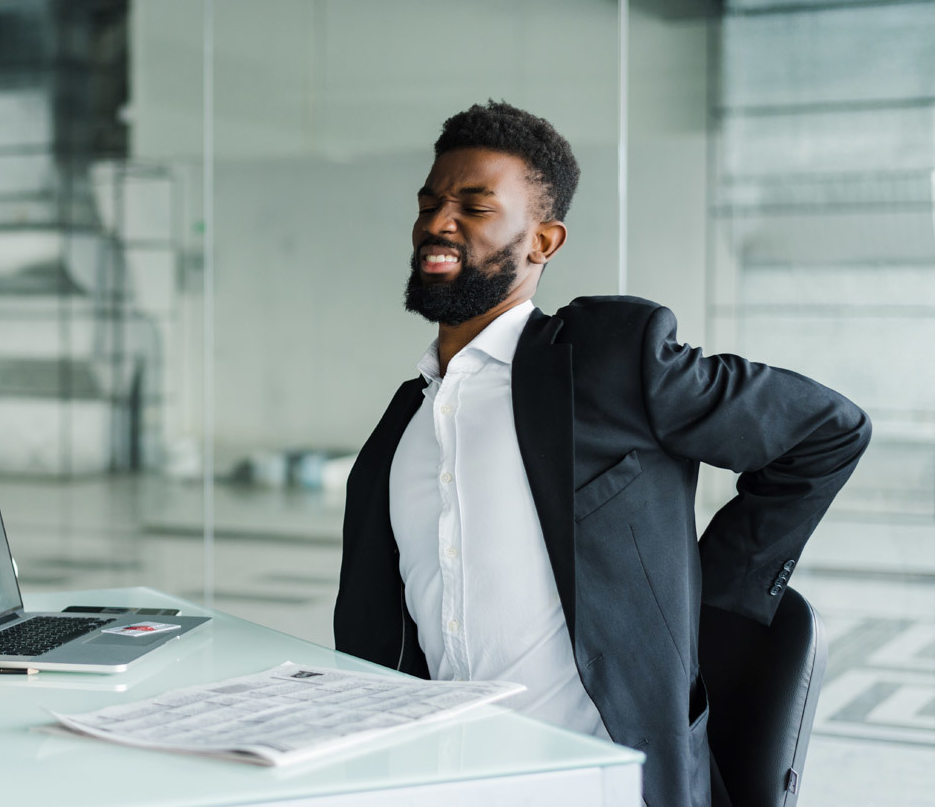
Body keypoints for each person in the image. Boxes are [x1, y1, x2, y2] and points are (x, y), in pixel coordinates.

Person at [333, 100, 870, 807]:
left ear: (542, 242)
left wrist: (708, 595)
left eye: (474, 205)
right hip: (450, 778)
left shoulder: (608, 359)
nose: (437, 222)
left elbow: (826, 430)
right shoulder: (406, 420)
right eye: (430, 202)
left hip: (604, 782)